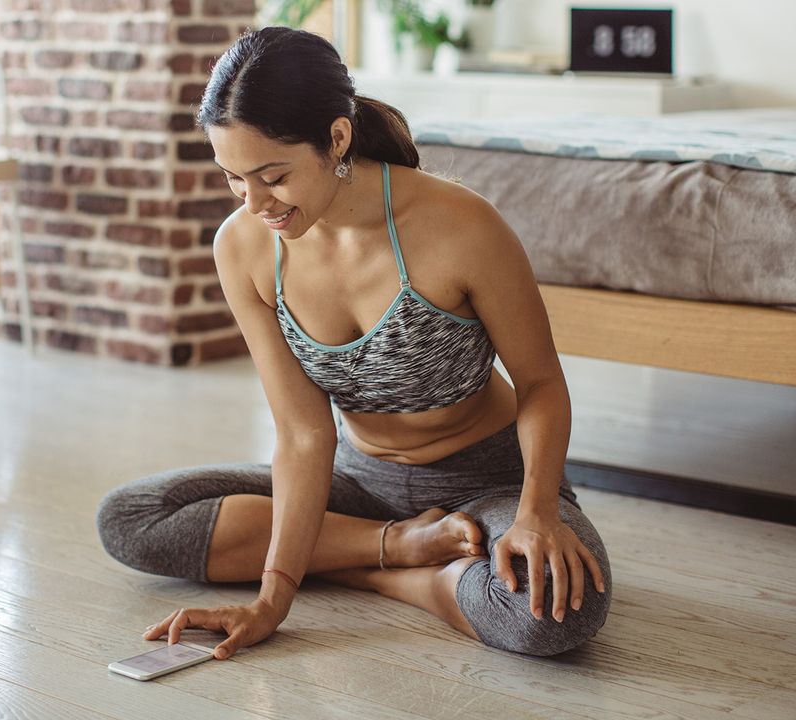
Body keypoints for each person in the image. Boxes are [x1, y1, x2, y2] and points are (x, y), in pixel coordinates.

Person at [96, 27, 611, 663]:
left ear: (337, 138)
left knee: (556, 614)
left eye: (273, 176)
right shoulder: (243, 247)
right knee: (133, 518)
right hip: (359, 484)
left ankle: (371, 564)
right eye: (233, 178)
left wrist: (537, 512)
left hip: (494, 482)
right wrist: (271, 602)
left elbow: (540, 384)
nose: (254, 203)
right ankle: (399, 556)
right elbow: (305, 433)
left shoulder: (460, 226)